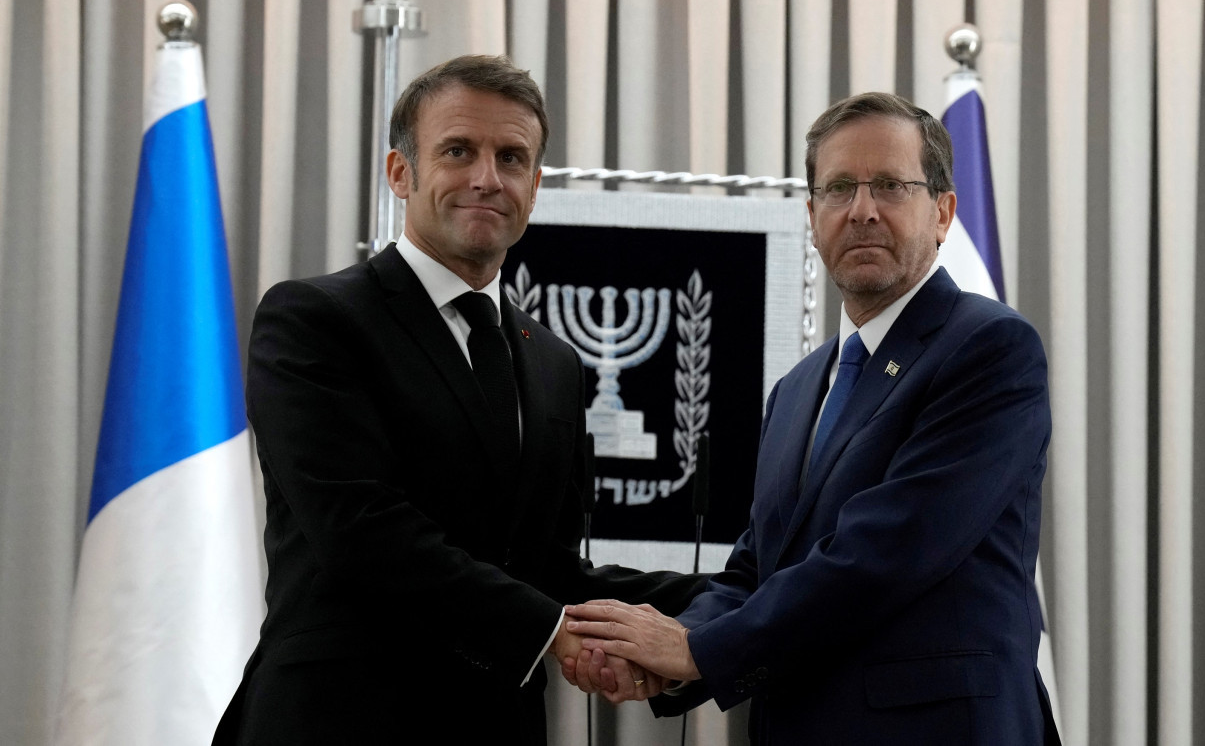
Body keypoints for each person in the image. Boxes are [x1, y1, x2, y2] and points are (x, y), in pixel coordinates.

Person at [213, 54, 702, 745]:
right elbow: (361, 530)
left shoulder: (554, 360)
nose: (486, 177)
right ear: (400, 173)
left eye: (511, 157)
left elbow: (548, 565)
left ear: (534, 186)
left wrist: (724, 608)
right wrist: (552, 630)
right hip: (338, 719)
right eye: (458, 151)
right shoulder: (315, 318)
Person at [564, 92, 1060, 744]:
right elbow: (755, 569)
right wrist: (675, 647)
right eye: (838, 189)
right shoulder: (797, 390)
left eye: (889, 185)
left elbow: (886, 551)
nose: (861, 210)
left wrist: (697, 651)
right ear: (811, 212)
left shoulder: (989, 347)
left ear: (942, 212)